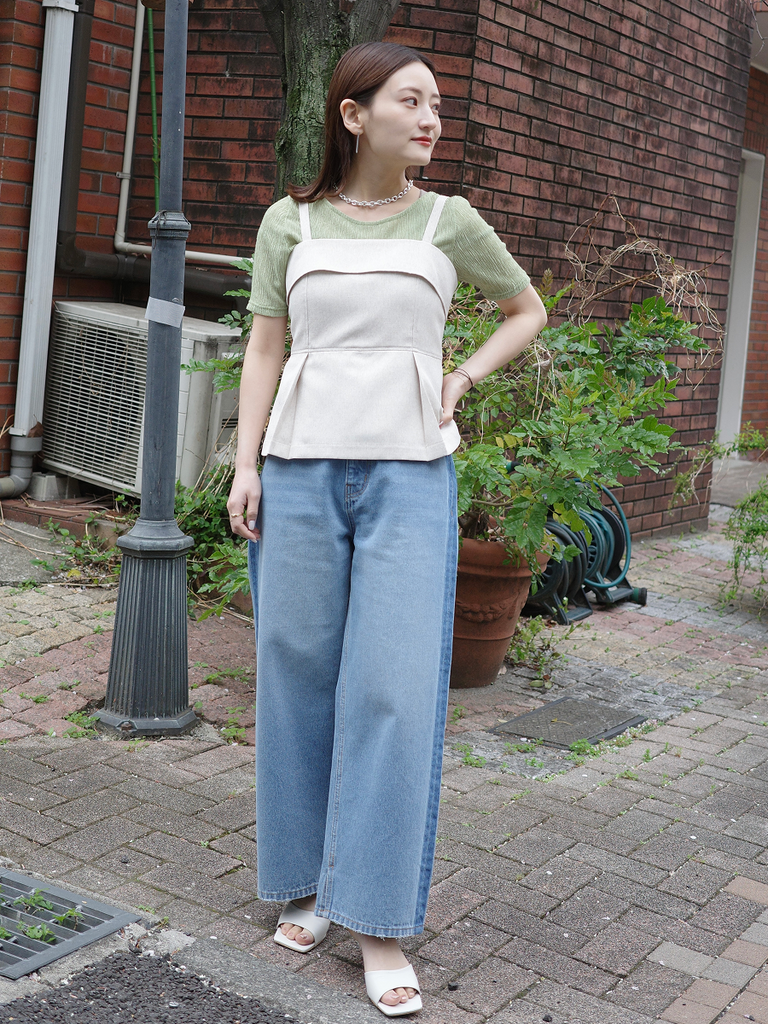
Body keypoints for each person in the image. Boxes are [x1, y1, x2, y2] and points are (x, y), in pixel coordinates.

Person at [227, 40, 547, 1017]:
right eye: (412, 100)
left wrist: (461, 377)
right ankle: (308, 882)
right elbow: (266, 345)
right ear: (354, 114)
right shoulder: (291, 222)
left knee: (395, 691)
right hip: (300, 469)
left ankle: (377, 920)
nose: (432, 117)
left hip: (410, 474)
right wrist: (245, 464)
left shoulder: (450, 221)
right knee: (296, 677)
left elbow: (525, 310)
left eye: (438, 104)